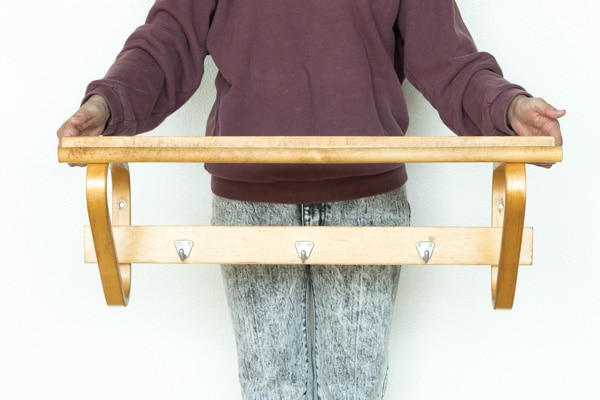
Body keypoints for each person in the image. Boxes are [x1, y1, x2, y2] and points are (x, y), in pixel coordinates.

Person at [57, 0, 565, 398]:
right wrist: (107, 103)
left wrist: (508, 107)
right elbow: (167, 43)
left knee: (356, 390)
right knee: (269, 390)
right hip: (251, 203)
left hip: (367, 201)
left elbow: (448, 59)